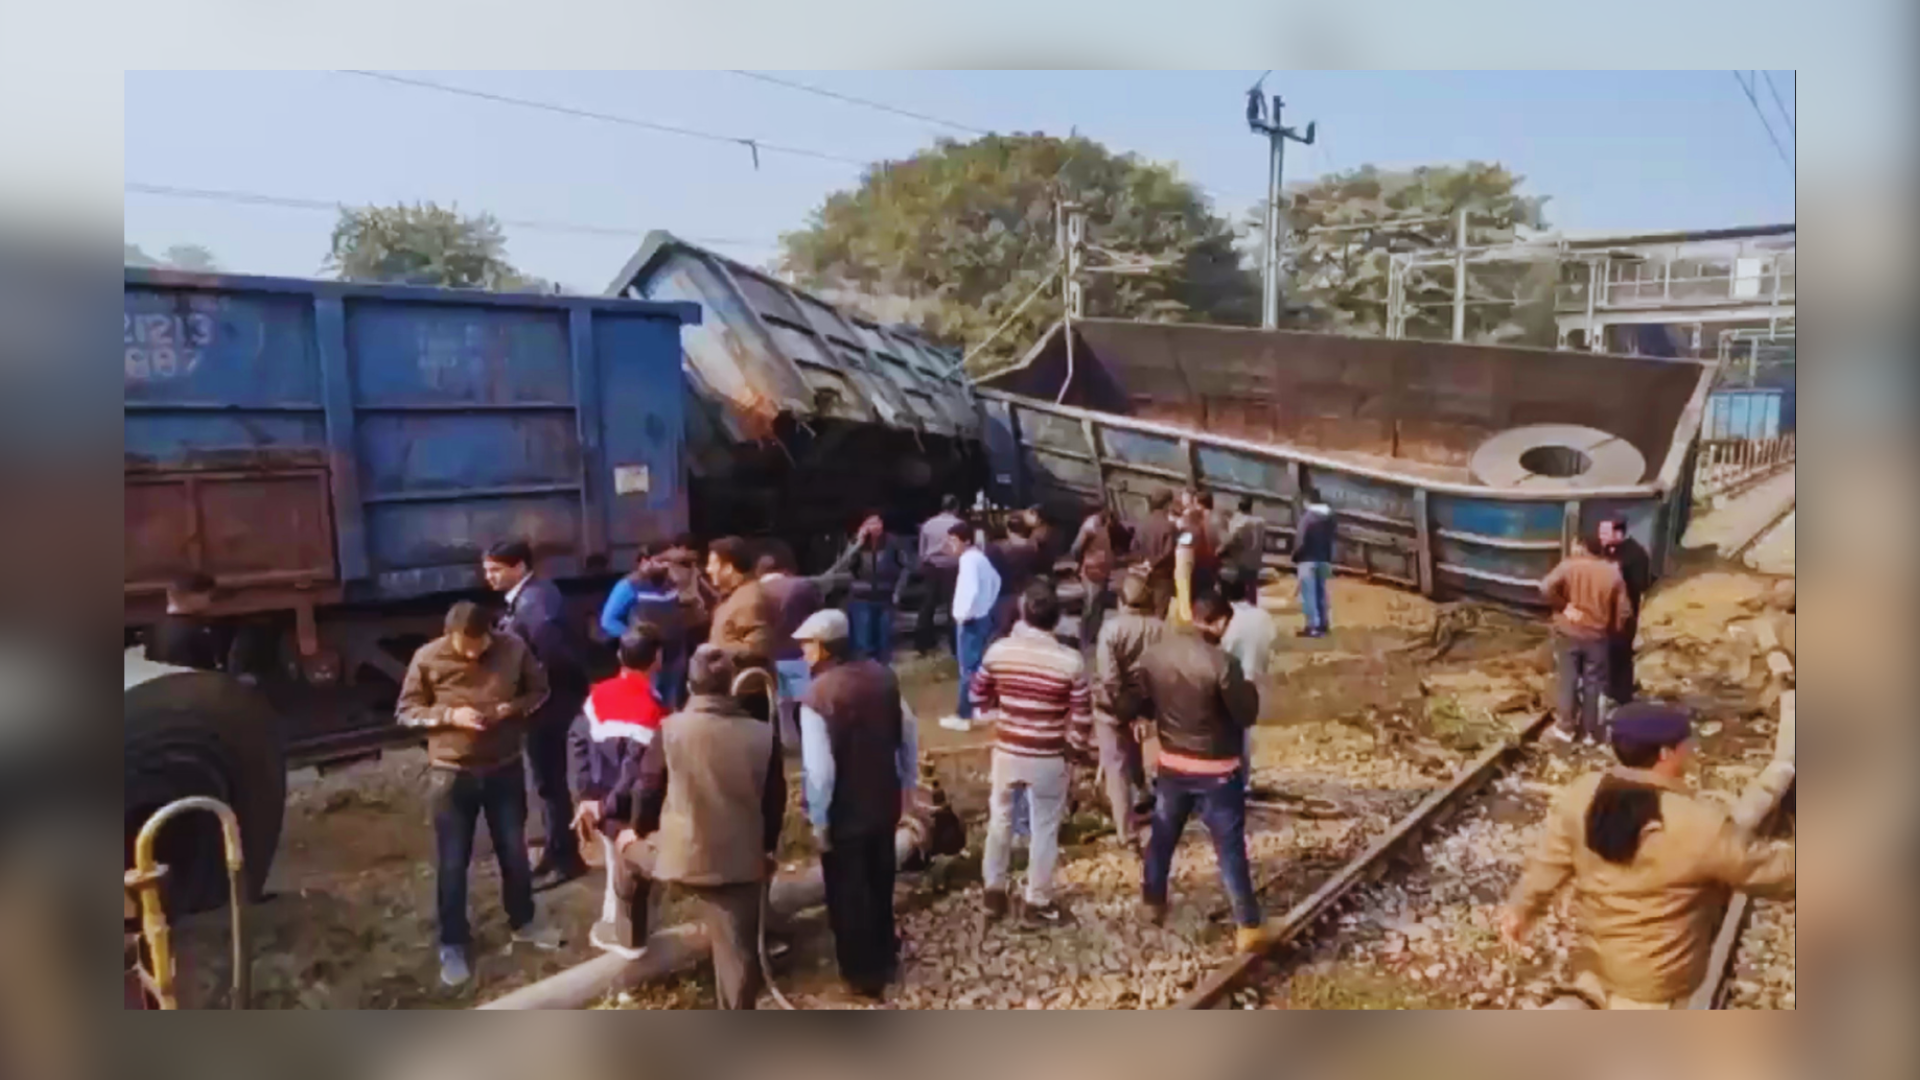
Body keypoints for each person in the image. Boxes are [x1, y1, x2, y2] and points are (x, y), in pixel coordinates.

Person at [1502, 702, 1795, 1009]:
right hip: (1656, 982)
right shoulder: (1696, 822)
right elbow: (1767, 871)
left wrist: (1522, 908)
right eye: (1687, 743)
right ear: (1666, 754)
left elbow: (1550, 861)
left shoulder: (1583, 794)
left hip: (1595, 963)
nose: (1692, 749)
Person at [397, 601, 562, 987]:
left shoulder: (513, 648)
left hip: (504, 767)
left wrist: (512, 708)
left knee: (514, 851)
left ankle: (523, 920)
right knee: (453, 862)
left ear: (491, 633)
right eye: (463, 645)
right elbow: (406, 711)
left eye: (478, 643)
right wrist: (448, 717)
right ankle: (453, 942)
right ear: (448, 635)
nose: (471, 652)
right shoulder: (427, 658)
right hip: (451, 775)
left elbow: (541, 689)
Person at [612, 646, 787, 1009]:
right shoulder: (762, 734)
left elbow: (646, 787)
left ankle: (631, 936)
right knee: (737, 959)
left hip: (676, 858)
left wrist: (637, 829)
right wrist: (766, 849)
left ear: (690, 684)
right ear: (729, 686)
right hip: (739, 865)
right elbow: (775, 801)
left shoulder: (670, 729)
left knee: (625, 849)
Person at [1118, 591, 1267, 953]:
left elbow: (1134, 700)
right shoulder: (1223, 664)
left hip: (1173, 764)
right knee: (1229, 849)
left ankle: (1153, 899)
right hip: (1218, 770)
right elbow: (1245, 714)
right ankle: (1247, 925)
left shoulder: (1155, 657)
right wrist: (1249, 689)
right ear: (1217, 622)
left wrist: (1142, 715)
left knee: (1164, 835)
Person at [791, 609, 919, 1000]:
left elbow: (821, 773)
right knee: (881, 884)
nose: (802, 653)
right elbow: (909, 734)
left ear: (824, 648)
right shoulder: (883, 677)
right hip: (884, 800)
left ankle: (863, 976)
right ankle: (886, 956)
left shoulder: (817, 698)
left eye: (806, 645)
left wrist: (819, 820)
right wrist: (908, 788)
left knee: (848, 895)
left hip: (845, 814)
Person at [970, 582, 1093, 928]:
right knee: (1044, 828)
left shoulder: (998, 652)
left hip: (1008, 749)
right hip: (1048, 754)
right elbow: (1082, 716)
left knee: (1000, 820)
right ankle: (1037, 901)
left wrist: (998, 716)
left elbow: (977, 694)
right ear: (1056, 620)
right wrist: (1075, 752)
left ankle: (993, 892)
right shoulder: (1070, 662)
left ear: (1023, 613)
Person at [483, 539, 591, 887]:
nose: (489, 577)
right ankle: (556, 850)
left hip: (547, 706)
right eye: (486, 570)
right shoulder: (533, 597)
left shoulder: (535, 604)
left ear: (518, 567)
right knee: (547, 783)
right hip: (549, 702)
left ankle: (565, 857)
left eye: (496, 570)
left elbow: (552, 656)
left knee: (550, 783)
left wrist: (535, 693)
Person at [567, 625, 668, 957]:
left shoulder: (596, 696)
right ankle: (627, 938)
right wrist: (609, 805)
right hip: (630, 807)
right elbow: (637, 770)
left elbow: (577, 741)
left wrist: (586, 797)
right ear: (657, 661)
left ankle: (620, 930)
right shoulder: (654, 710)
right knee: (627, 872)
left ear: (620, 657)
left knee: (615, 865)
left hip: (599, 799)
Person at [1093, 573, 1165, 848]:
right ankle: (1144, 792)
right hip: (1147, 701)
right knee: (1135, 751)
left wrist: (1124, 710)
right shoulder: (1161, 628)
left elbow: (1109, 679)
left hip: (1112, 707)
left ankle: (1126, 831)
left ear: (1123, 601)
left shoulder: (1111, 630)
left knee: (1115, 767)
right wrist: (1144, 712)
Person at [1541, 532, 1633, 745]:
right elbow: (1625, 612)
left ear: (1583, 547)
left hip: (1568, 632)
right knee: (1594, 684)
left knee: (1568, 680)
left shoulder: (1569, 566)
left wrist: (1565, 607)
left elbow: (1545, 587)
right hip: (1597, 637)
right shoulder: (1613, 573)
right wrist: (1613, 630)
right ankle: (1591, 732)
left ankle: (1566, 728)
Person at [755, 538, 825, 749]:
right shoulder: (801, 586)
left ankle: (788, 741)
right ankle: (812, 739)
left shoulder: (754, 592)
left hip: (770, 653)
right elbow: (817, 612)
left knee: (781, 704)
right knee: (806, 700)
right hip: (799, 651)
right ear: (784, 569)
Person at [598, 547, 688, 707]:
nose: (665, 566)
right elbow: (608, 620)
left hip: (674, 654)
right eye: (660, 562)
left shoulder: (671, 583)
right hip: (648, 661)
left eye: (668, 562)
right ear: (644, 561)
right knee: (650, 702)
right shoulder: (629, 585)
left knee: (672, 702)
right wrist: (636, 640)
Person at [705, 536, 778, 723]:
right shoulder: (735, 595)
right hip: (732, 692)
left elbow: (759, 648)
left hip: (747, 695)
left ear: (728, 568)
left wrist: (714, 653)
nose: (707, 570)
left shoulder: (751, 598)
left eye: (712, 564)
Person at [939, 520, 1001, 732]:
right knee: (977, 667)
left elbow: (973, 589)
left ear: (965, 541)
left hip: (971, 620)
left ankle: (964, 715)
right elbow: (996, 581)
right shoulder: (979, 558)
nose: (950, 545)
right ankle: (979, 707)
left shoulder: (968, 560)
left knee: (967, 669)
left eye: (953, 540)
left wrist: (964, 614)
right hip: (981, 616)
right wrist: (987, 604)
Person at [1218, 566, 1276, 779]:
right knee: (1245, 732)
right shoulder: (1263, 616)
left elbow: (1223, 650)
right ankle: (1244, 777)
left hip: (1235, 678)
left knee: (1230, 731)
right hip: (1258, 677)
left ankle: (1234, 776)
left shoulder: (1229, 619)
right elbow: (1272, 642)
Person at [829, 514, 909, 663]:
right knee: (862, 642)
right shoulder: (855, 543)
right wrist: (857, 544)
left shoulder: (892, 542)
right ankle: (864, 671)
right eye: (871, 524)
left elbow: (905, 567)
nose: (875, 527)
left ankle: (882, 674)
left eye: (878, 523)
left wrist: (898, 591)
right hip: (861, 597)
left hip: (885, 596)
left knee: (884, 641)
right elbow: (842, 566)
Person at [1599, 517, 1652, 706]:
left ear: (1619, 533)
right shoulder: (1605, 551)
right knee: (1607, 652)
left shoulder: (1636, 555)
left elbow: (1642, 584)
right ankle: (1608, 689)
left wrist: (1620, 576)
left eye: (1605, 533)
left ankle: (1622, 695)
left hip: (1625, 615)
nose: (1601, 537)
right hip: (1604, 613)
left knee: (1621, 652)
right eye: (1600, 532)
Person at [142, 571, 236, 673]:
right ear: (194, 597)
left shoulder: (154, 628)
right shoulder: (199, 630)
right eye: (208, 596)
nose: (210, 602)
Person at [914, 495, 965, 656]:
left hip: (932, 566)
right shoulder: (959, 524)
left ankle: (922, 643)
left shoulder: (928, 524)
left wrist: (923, 564)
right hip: (952, 567)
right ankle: (955, 645)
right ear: (956, 507)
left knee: (927, 606)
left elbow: (922, 550)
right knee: (953, 606)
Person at [988, 515, 1044, 639]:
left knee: (1001, 631)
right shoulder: (1033, 546)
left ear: (1008, 529)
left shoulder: (996, 547)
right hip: (1024, 592)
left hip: (1003, 593)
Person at [1291, 489, 1336, 638]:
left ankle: (1313, 626)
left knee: (1309, 594)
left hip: (1308, 559)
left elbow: (1300, 540)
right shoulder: (1330, 517)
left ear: (1308, 501)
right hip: (1324, 559)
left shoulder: (1307, 518)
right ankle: (1323, 624)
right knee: (1321, 592)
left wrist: (1295, 556)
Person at [1130, 490, 1181, 618]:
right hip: (1163, 577)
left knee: (1142, 613)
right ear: (1168, 504)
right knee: (1160, 614)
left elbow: (1133, 547)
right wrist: (1153, 564)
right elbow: (1169, 552)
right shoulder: (1169, 527)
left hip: (1142, 576)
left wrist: (1144, 563)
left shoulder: (1142, 524)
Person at [1220, 497, 1268, 585]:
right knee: (1251, 590)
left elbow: (1232, 540)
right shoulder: (1260, 523)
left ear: (1238, 508)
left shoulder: (1240, 522)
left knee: (1238, 591)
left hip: (1240, 565)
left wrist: (1220, 550)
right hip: (1255, 564)